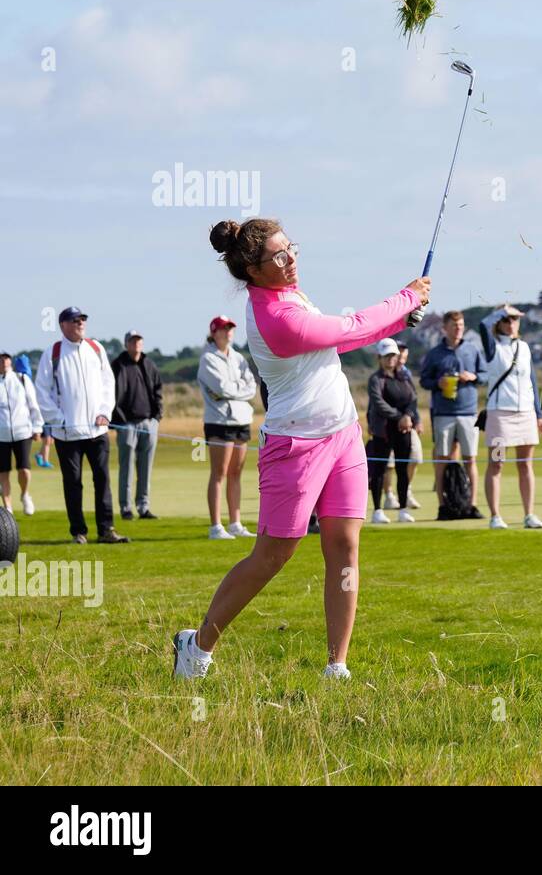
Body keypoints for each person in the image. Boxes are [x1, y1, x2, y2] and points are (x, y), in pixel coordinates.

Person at [171, 218, 428, 681]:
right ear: (252, 269)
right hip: (295, 445)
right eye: (279, 256)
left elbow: (343, 338)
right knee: (273, 555)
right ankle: (197, 645)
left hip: (344, 435)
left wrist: (396, 319)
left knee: (345, 547)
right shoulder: (275, 316)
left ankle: (337, 665)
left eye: (292, 248)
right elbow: (345, 325)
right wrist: (405, 298)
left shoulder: (292, 295)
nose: (292, 260)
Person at [34, 307, 127, 545]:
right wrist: (58, 419)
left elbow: (108, 383)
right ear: (63, 324)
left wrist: (105, 412)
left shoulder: (96, 349)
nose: (81, 323)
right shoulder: (53, 353)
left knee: (102, 479)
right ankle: (78, 531)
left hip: (97, 431)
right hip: (67, 433)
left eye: (83, 319)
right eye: (75, 320)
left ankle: (106, 530)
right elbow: (42, 392)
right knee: (73, 482)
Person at [479, 305, 542, 529]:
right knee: (497, 464)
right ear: (499, 322)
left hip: (526, 414)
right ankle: (495, 516)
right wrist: (500, 311)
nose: (511, 324)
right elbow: (482, 326)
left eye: (514, 320)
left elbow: (533, 382)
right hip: (501, 416)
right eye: (507, 320)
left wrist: (539, 415)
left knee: (526, 465)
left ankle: (529, 514)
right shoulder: (494, 347)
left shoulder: (525, 348)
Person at [420, 310, 487, 519]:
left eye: (461, 325)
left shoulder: (472, 349)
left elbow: (484, 375)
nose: (458, 329)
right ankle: (443, 506)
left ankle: (472, 504)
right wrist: (437, 383)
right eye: (454, 325)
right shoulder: (435, 353)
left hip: (468, 412)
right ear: (445, 328)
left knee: (470, 460)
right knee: (442, 460)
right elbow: (424, 380)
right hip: (443, 413)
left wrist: (473, 376)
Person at [197, 315, 259, 539]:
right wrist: (237, 389)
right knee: (219, 473)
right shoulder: (208, 359)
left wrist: (236, 389)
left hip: (242, 419)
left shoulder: (238, 357)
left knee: (236, 473)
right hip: (219, 420)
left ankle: (235, 523)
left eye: (230, 328)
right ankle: (216, 526)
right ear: (214, 332)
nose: (227, 332)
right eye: (223, 329)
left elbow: (251, 386)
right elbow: (222, 388)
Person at [111, 329, 163, 521]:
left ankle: (143, 506)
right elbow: (112, 393)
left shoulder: (149, 364)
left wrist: (157, 416)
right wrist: (119, 418)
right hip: (126, 424)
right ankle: (126, 507)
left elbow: (158, 389)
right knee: (127, 467)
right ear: (126, 344)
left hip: (148, 422)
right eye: (133, 341)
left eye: (139, 341)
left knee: (145, 467)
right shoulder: (118, 365)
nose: (136, 344)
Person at [366, 338, 419, 524]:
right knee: (379, 470)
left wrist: (408, 415)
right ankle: (378, 510)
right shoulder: (376, 379)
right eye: (386, 356)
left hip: (403, 430)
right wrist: (400, 417)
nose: (390, 359)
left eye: (393, 355)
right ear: (379, 358)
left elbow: (413, 399)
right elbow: (378, 404)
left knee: (402, 469)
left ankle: (403, 508)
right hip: (383, 430)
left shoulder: (404, 377)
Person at [0, 352, 43, 516]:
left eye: (6, 358)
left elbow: (33, 405)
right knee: (3, 472)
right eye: (0, 359)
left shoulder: (22, 379)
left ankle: (25, 494)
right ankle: (8, 508)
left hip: (22, 432)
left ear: (10, 362)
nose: (4, 361)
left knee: (24, 469)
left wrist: (37, 427)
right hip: (1, 435)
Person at [381, 342, 423, 511]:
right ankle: (389, 495)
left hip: (408, 424)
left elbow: (413, 399)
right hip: (387, 426)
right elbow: (378, 402)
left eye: (404, 357)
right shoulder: (383, 375)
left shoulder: (406, 374)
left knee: (414, 458)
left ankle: (405, 492)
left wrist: (415, 419)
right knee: (389, 464)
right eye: (400, 356)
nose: (402, 360)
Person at [13, 354, 54, 469]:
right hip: (39, 417)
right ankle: (43, 459)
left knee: (49, 440)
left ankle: (41, 457)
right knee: (47, 439)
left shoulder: (25, 380)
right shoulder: (25, 380)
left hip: (42, 417)